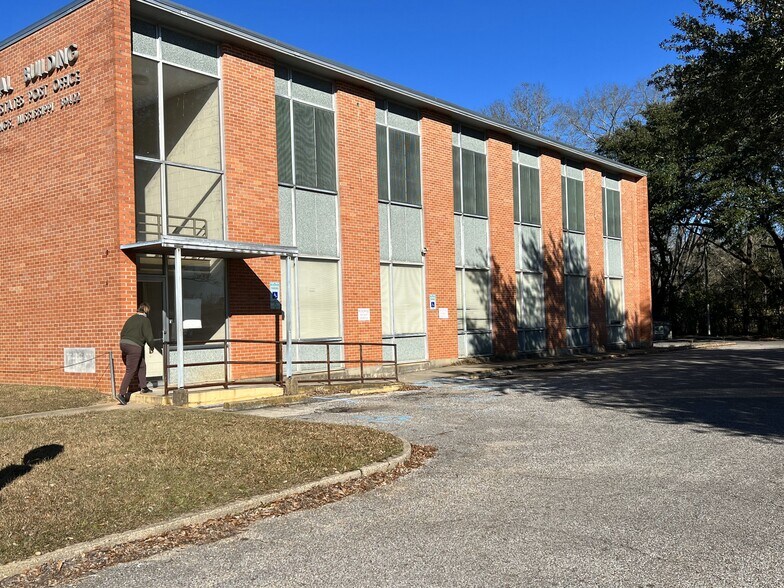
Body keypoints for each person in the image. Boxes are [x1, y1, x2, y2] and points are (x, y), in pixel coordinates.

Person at [118, 303, 156, 405]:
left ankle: (143, 387)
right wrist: (152, 346)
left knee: (142, 364)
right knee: (130, 370)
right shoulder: (145, 320)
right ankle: (121, 394)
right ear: (146, 311)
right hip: (134, 346)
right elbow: (149, 336)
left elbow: (122, 333)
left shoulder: (131, 318)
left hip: (123, 344)